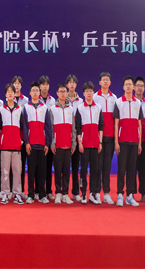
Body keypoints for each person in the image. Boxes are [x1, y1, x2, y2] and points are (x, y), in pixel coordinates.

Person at [114, 76, 143, 207]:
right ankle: (120, 194)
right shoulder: (119, 102)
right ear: (123, 87)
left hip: (134, 142)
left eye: (130, 84)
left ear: (133, 87)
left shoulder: (138, 103)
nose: (128, 86)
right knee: (121, 169)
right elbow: (116, 124)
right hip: (122, 141)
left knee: (132, 169)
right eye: (126, 84)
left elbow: (139, 124)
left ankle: (130, 195)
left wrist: (140, 143)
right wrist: (116, 142)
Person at [22, 82, 52, 204]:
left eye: (36, 90)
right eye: (33, 90)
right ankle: (31, 195)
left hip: (42, 144)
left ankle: (42, 195)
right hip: (31, 145)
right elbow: (24, 127)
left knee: (42, 172)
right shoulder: (26, 107)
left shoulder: (44, 108)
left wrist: (47, 143)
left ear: (39, 93)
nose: (35, 92)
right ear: (30, 93)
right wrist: (26, 142)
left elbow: (48, 127)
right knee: (31, 171)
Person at [75, 81, 104, 204]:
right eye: (86, 91)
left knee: (95, 170)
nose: (89, 93)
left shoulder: (98, 107)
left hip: (95, 144)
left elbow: (101, 126)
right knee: (83, 170)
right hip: (84, 144)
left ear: (93, 92)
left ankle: (93, 194)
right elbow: (78, 127)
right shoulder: (80, 108)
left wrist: (100, 142)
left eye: (91, 91)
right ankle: (83, 194)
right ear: (83, 93)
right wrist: (80, 143)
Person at [93, 72, 118, 204]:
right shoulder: (95, 97)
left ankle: (107, 193)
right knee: (98, 166)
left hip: (111, 137)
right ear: (99, 82)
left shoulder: (115, 98)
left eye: (108, 79)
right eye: (103, 79)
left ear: (110, 82)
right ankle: (96, 192)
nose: (106, 81)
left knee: (107, 167)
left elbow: (116, 120)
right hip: (98, 138)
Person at [50, 83, 76, 205]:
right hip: (57, 145)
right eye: (60, 92)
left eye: (64, 92)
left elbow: (74, 128)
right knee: (58, 170)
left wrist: (73, 143)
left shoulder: (71, 109)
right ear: (57, 93)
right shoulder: (52, 109)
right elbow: (50, 128)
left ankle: (65, 194)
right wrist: (52, 143)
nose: (62, 94)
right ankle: (58, 193)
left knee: (66, 171)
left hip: (68, 145)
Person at [0, 84, 24, 205]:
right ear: (5, 94)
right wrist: (2, 140)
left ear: (14, 94)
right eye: (8, 92)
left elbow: (22, 128)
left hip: (17, 146)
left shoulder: (19, 110)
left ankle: (17, 194)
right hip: (5, 146)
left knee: (17, 171)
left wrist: (20, 141)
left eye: (12, 92)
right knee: (5, 171)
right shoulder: (1, 109)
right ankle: (5, 193)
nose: (10, 94)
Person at [134, 76, 145, 203]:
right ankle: (130, 193)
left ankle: (144, 193)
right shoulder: (129, 101)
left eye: (142, 86)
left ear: (144, 88)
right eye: (138, 85)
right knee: (131, 168)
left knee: (143, 169)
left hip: (144, 141)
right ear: (134, 87)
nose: (139, 88)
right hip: (132, 140)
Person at [38, 75, 56, 201]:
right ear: (39, 86)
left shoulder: (52, 101)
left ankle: (49, 190)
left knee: (49, 166)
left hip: (48, 139)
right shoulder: (35, 99)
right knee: (38, 167)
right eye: (43, 84)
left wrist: (51, 139)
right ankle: (38, 191)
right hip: (38, 138)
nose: (45, 87)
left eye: (47, 84)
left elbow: (53, 122)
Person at [66, 74, 82, 202]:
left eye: (74, 82)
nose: (72, 84)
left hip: (77, 139)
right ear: (67, 85)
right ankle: (63, 192)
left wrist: (79, 138)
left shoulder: (80, 102)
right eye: (70, 82)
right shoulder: (61, 100)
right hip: (65, 139)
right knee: (64, 168)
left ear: (76, 85)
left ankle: (76, 192)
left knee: (76, 167)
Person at [12, 75, 29, 195]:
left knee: (21, 165)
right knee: (11, 166)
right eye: (15, 83)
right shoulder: (8, 99)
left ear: (21, 86)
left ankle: (21, 190)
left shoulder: (26, 101)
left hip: (23, 137)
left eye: (18, 83)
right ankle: (11, 190)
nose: (17, 85)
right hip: (12, 137)